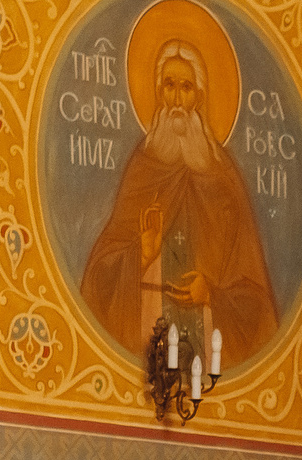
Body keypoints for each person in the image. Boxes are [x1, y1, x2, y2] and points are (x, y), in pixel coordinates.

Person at [77, 37, 279, 361]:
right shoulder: (143, 167)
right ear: (158, 92)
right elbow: (100, 274)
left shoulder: (223, 179)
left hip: (209, 347)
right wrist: (139, 255)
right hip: (145, 338)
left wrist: (212, 295)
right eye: (168, 85)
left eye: (186, 88)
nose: (176, 99)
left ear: (199, 97)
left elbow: (253, 293)